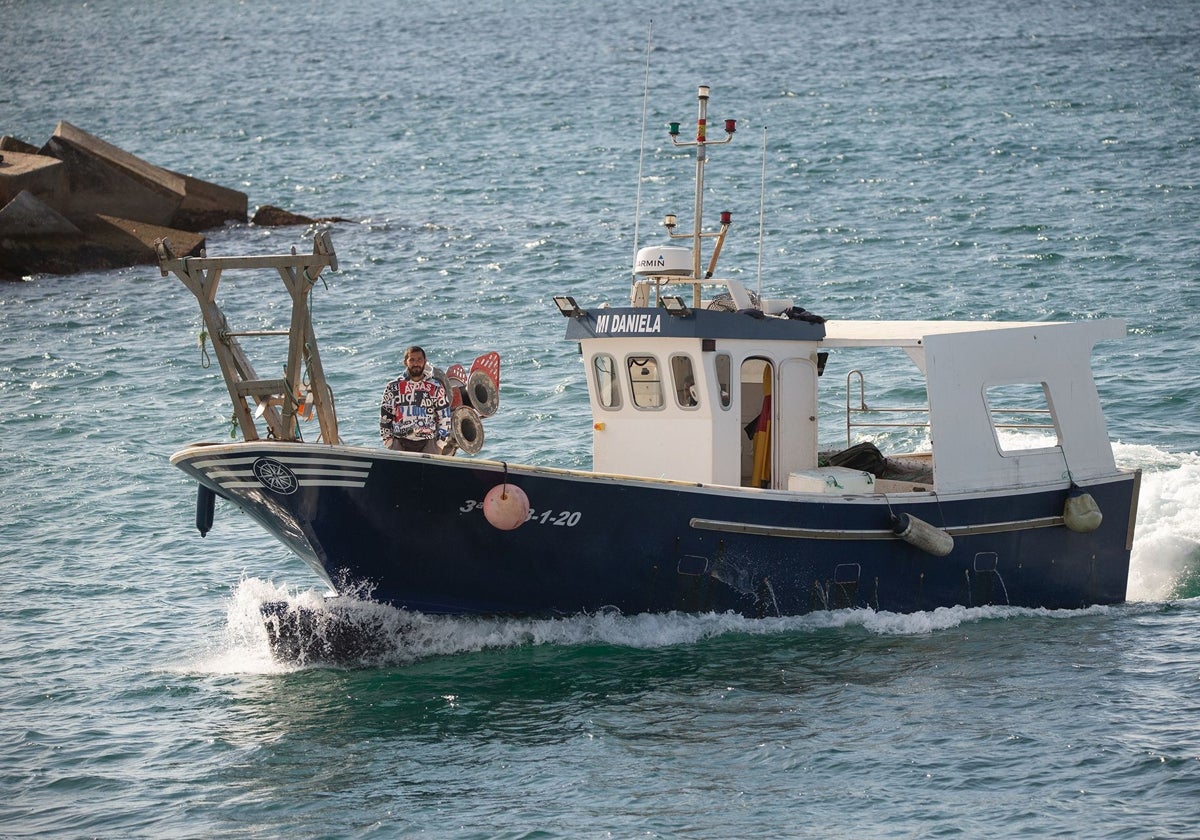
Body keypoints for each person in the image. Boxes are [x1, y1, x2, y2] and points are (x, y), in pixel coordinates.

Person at [380, 345, 452, 453]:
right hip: (399, 442)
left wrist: (440, 444)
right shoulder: (394, 387)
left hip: (429, 442)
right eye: (412, 360)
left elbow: (444, 416)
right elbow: (385, 416)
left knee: (430, 470)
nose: (416, 363)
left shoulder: (436, 387)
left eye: (419, 359)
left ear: (425, 362)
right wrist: (388, 442)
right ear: (405, 362)